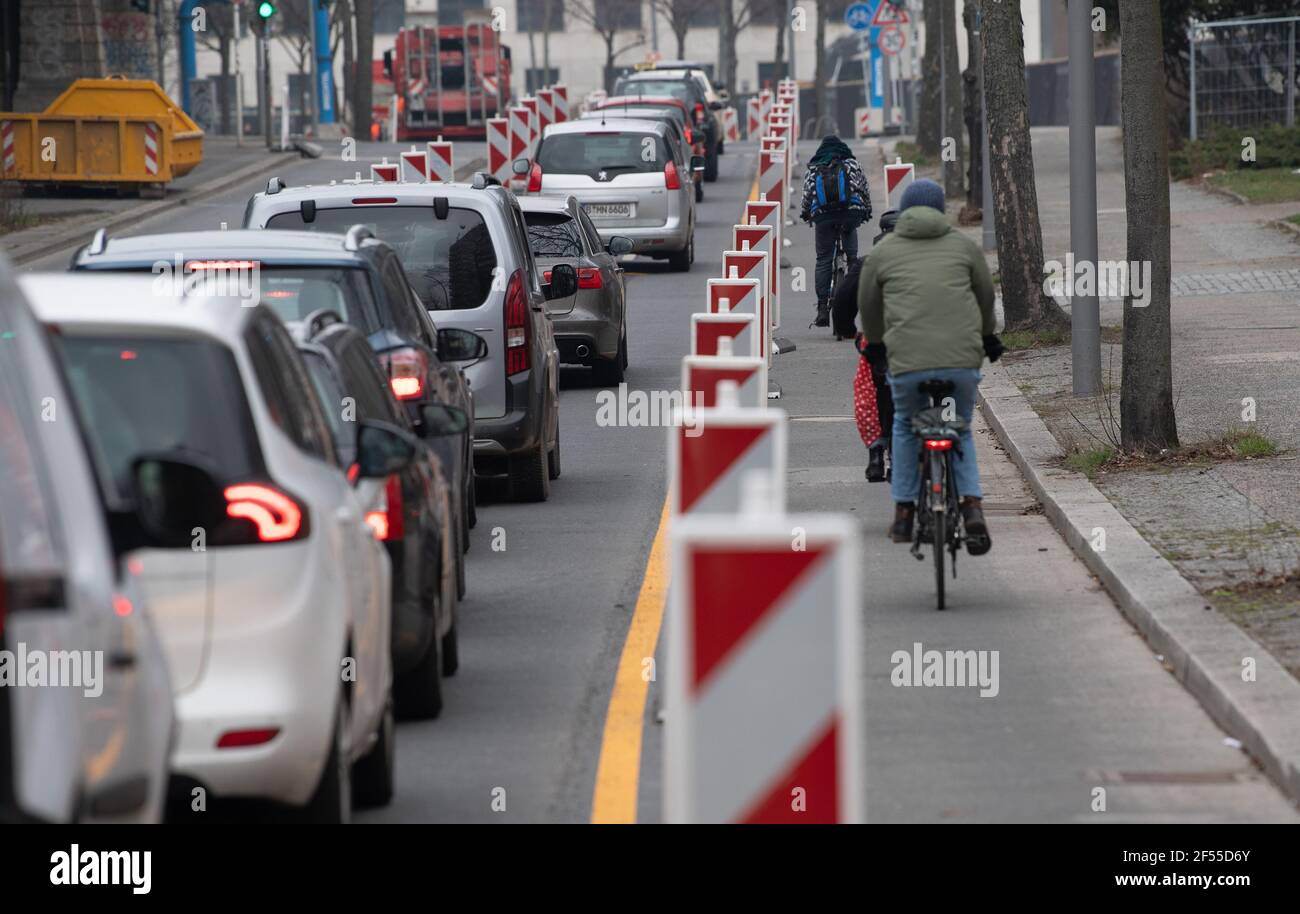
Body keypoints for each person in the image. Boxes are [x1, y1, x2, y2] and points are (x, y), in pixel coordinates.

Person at [856, 179, 1003, 555]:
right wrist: (987, 337)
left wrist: (876, 346)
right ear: (941, 211)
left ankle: (904, 511)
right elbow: (985, 295)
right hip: (960, 363)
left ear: (903, 212)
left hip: (908, 363)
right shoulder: (964, 248)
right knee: (961, 429)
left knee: (905, 425)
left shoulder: (883, 253)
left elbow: (868, 305)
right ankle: (971, 507)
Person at [831, 210, 899, 483]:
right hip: (923, 341)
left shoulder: (868, 264)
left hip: (877, 342)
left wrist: (849, 331)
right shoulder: (925, 260)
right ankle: (899, 457)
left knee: (869, 395)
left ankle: (875, 454)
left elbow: (843, 299)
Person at [799, 135, 872, 328]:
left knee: (823, 258)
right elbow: (864, 190)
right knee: (853, 259)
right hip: (850, 215)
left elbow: (807, 196)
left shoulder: (815, 167)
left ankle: (823, 307)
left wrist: (806, 214)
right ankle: (854, 300)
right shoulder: (853, 164)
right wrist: (866, 212)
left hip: (824, 217)